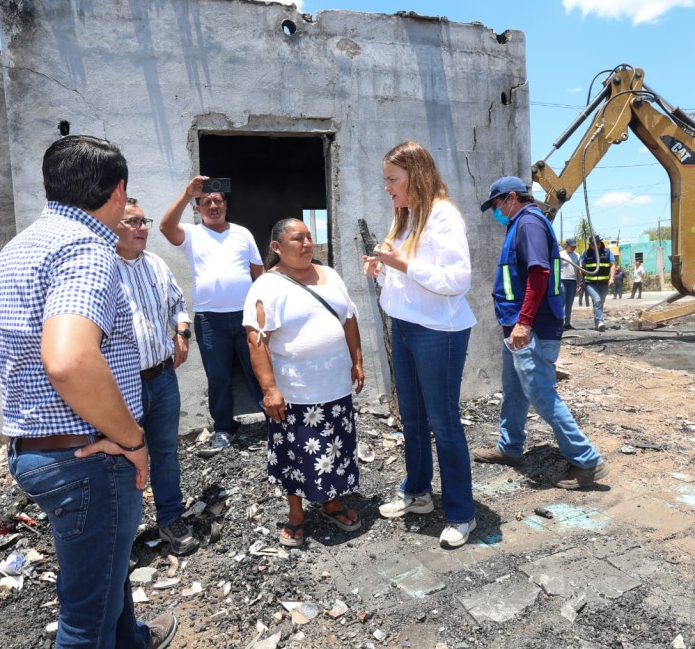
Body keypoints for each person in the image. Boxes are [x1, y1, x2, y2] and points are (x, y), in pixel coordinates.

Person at [0, 136, 176, 648]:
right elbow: (70, 359)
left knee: (106, 575)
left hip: (40, 451)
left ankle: (132, 640)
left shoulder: (18, 248)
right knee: (84, 619)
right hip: (87, 458)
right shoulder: (87, 250)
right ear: (119, 191)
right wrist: (133, 439)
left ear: (48, 185)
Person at [362, 141, 477, 549]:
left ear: (416, 174)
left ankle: (462, 513)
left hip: (439, 332)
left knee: (443, 421)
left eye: (392, 179)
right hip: (407, 326)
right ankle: (418, 493)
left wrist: (400, 263)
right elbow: (405, 283)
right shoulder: (406, 217)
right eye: (386, 180)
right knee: (411, 418)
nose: (388, 188)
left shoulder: (442, 215)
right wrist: (381, 271)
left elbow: (456, 281)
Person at [472, 176, 609, 490]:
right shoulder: (518, 224)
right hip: (517, 327)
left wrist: (524, 322)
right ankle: (510, 447)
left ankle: (588, 460)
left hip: (531, 328)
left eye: (496, 204)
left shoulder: (528, 224)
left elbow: (539, 272)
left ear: (510, 197)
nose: (495, 211)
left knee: (540, 392)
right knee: (515, 388)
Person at [244, 218, 365, 547]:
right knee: (294, 456)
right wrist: (270, 390)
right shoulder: (268, 286)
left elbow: (349, 319)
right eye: (297, 239)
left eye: (309, 237)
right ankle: (296, 515)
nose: (307, 243)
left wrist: (357, 360)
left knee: (335, 449)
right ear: (277, 248)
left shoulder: (331, 276)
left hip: (335, 388)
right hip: (295, 393)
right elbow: (257, 340)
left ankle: (331, 502)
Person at [115, 197, 198, 556]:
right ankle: (120, 534)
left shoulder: (157, 265)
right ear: (113, 226)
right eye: (133, 222)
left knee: (165, 452)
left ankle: (169, 519)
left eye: (144, 220)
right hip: (122, 384)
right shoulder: (100, 268)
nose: (143, 228)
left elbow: (178, 303)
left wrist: (181, 332)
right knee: (120, 458)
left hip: (162, 378)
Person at [160, 177, 264, 456]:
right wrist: (186, 193)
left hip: (246, 317)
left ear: (225, 205)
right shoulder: (192, 234)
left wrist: (263, 311)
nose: (213, 205)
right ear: (198, 209)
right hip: (209, 320)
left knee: (259, 369)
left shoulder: (242, 233)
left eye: (217, 200)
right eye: (206, 202)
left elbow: (259, 275)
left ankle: (273, 421)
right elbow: (165, 228)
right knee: (218, 376)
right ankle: (224, 428)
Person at [581, 236, 614, 331]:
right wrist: (581, 281)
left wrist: (611, 278)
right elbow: (582, 267)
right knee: (597, 300)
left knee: (600, 303)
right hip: (590, 283)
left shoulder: (607, 252)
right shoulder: (586, 253)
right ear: (590, 244)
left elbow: (612, 265)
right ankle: (600, 322)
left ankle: (597, 322)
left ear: (600, 242)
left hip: (604, 283)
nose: (594, 245)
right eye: (592, 244)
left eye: (597, 243)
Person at [559, 238, 579, 329]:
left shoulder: (577, 255)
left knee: (569, 303)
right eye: (572, 246)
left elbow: (579, 270)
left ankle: (567, 323)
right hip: (562, 280)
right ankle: (559, 323)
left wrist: (579, 283)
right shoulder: (560, 254)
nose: (573, 248)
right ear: (567, 245)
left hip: (572, 281)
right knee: (561, 302)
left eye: (574, 246)